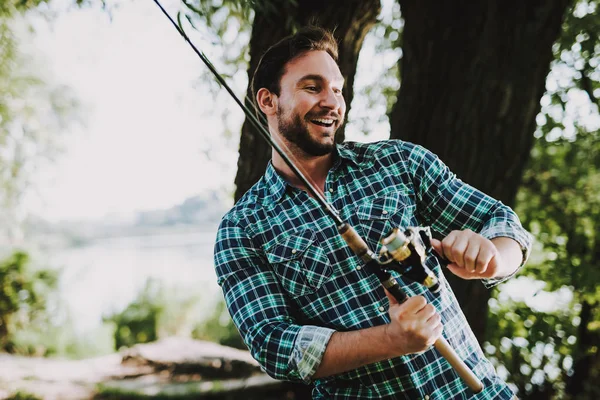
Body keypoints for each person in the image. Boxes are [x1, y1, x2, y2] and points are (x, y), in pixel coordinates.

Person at [214, 26, 532, 399]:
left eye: (337, 89)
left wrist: (493, 258)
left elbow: (502, 222)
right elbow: (274, 345)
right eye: (313, 87)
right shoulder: (241, 229)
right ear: (268, 100)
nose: (333, 102)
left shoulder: (398, 161)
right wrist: (391, 340)